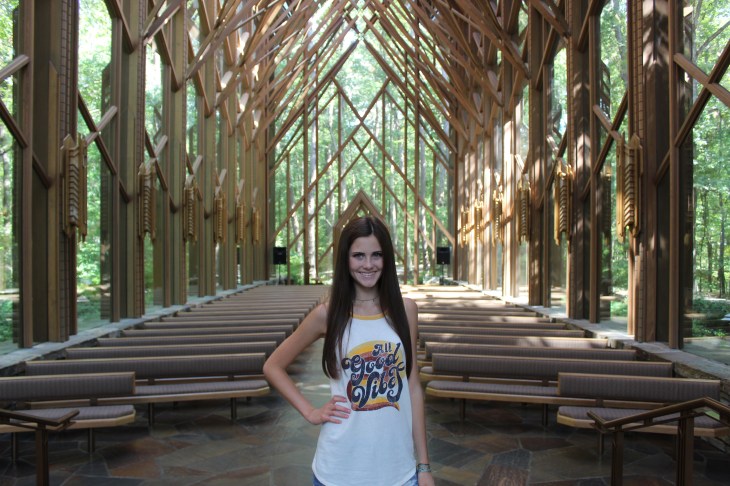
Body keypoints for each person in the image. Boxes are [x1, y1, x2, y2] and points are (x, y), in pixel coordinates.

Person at [263, 215, 434, 486]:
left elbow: (412, 389)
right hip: (339, 469)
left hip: (397, 469)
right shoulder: (327, 315)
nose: (368, 264)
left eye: (376, 255)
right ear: (345, 259)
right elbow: (273, 366)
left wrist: (423, 466)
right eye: (358, 256)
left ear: (387, 259)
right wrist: (311, 412)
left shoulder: (406, 311)